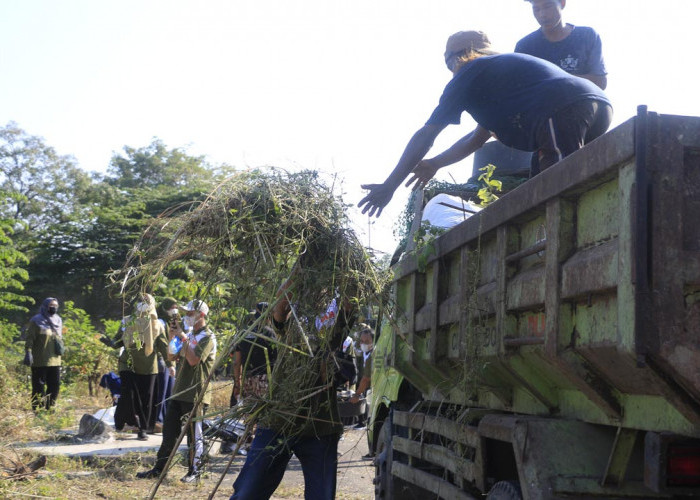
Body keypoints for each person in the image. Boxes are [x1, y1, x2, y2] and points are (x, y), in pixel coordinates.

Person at [358, 30, 612, 218]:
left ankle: (567, 235)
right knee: (541, 181)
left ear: (456, 60)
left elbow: (427, 134)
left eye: (450, 63)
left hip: (562, 109)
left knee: (556, 186)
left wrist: (389, 186)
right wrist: (435, 163)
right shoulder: (499, 78)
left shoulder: (469, 71)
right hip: (595, 109)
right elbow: (477, 138)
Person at [230, 283, 356, 500]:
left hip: (319, 424)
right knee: (247, 493)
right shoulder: (293, 318)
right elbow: (280, 307)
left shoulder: (336, 319)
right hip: (278, 418)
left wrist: (345, 271)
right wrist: (299, 272)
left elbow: (350, 301)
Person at [137, 299, 217, 483]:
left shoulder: (208, 337)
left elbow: (193, 360)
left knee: (194, 437)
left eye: (190, 314)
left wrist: (182, 336)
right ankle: (159, 469)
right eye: (186, 314)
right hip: (179, 391)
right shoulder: (188, 334)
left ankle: (194, 472)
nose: (187, 317)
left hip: (196, 394)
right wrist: (174, 336)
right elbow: (171, 355)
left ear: (201, 315)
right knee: (169, 434)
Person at [109, 294, 171, 440]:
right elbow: (118, 340)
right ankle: (129, 421)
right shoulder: (128, 321)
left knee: (146, 401)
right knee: (128, 396)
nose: (143, 304)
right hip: (128, 364)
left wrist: (170, 365)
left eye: (146, 302)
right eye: (141, 301)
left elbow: (163, 346)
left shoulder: (157, 325)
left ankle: (143, 428)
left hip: (148, 367)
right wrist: (110, 342)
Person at [220, 301, 277, 454]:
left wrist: (237, 383)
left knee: (249, 413)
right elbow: (277, 360)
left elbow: (236, 361)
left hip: (247, 379)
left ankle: (247, 443)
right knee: (264, 412)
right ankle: (261, 444)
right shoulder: (269, 333)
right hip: (264, 378)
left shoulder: (244, 333)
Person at [515, 0, 607, 90]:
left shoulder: (587, 36)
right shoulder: (524, 46)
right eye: (536, 9)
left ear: (562, 3)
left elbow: (600, 82)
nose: (542, 14)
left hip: (583, 103)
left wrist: (550, 80)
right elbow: (520, 88)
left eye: (548, 6)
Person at [23, 297, 64, 411]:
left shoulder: (58, 320)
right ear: (45, 306)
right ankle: (38, 410)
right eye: (51, 305)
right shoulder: (36, 320)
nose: (54, 308)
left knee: (55, 386)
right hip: (40, 360)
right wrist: (28, 352)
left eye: (56, 306)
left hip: (55, 360)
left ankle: (50, 408)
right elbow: (30, 339)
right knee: (38, 387)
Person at [153, 297, 179, 432]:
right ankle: (158, 420)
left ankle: (166, 420)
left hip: (171, 361)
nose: (173, 310)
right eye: (171, 307)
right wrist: (169, 363)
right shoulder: (161, 322)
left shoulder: (171, 322)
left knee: (169, 393)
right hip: (163, 361)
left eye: (175, 307)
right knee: (161, 393)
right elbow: (163, 345)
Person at [349, 325, 374, 430]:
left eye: (367, 341)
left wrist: (357, 394)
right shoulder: (364, 353)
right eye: (362, 341)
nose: (363, 344)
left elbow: (366, 378)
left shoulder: (373, 355)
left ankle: (364, 422)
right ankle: (363, 422)